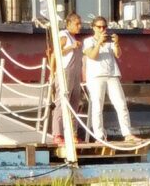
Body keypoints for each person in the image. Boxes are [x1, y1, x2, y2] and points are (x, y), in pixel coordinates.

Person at [84, 15, 133, 143]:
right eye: (99, 27)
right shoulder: (88, 41)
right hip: (96, 76)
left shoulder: (109, 41)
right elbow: (92, 56)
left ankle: (127, 133)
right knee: (97, 106)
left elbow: (118, 54)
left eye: (104, 27)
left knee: (121, 104)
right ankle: (99, 136)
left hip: (112, 74)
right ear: (93, 28)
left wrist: (116, 43)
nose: (102, 29)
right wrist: (99, 43)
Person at [51, 9, 87, 151]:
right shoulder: (64, 36)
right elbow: (56, 52)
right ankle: (57, 133)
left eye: (80, 24)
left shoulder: (75, 38)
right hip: (65, 72)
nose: (79, 26)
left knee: (74, 104)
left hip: (75, 73)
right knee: (61, 102)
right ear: (69, 24)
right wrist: (71, 47)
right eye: (77, 24)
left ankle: (72, 134)